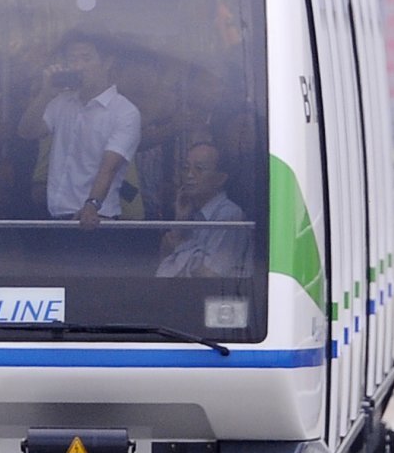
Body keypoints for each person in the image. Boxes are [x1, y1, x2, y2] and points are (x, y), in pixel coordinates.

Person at [17, 31, 141, 228]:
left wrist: (92, 205)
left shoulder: (124, 112)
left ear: (107, 62)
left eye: (86, 58)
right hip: (56, 216)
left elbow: (108, 168)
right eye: (72, 59)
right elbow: (27, 132)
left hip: (96, 219)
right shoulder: (61, 102)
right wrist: (45, 93)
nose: (78, 66)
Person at [156, 142, 251, 278]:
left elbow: (210, 275)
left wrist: (181, 246)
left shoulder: (230, 215)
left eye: (199, 169)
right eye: (186, 167)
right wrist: (179, 220)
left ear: (220, 178)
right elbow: (164, 263)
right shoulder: (190, 210)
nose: (189, 175)